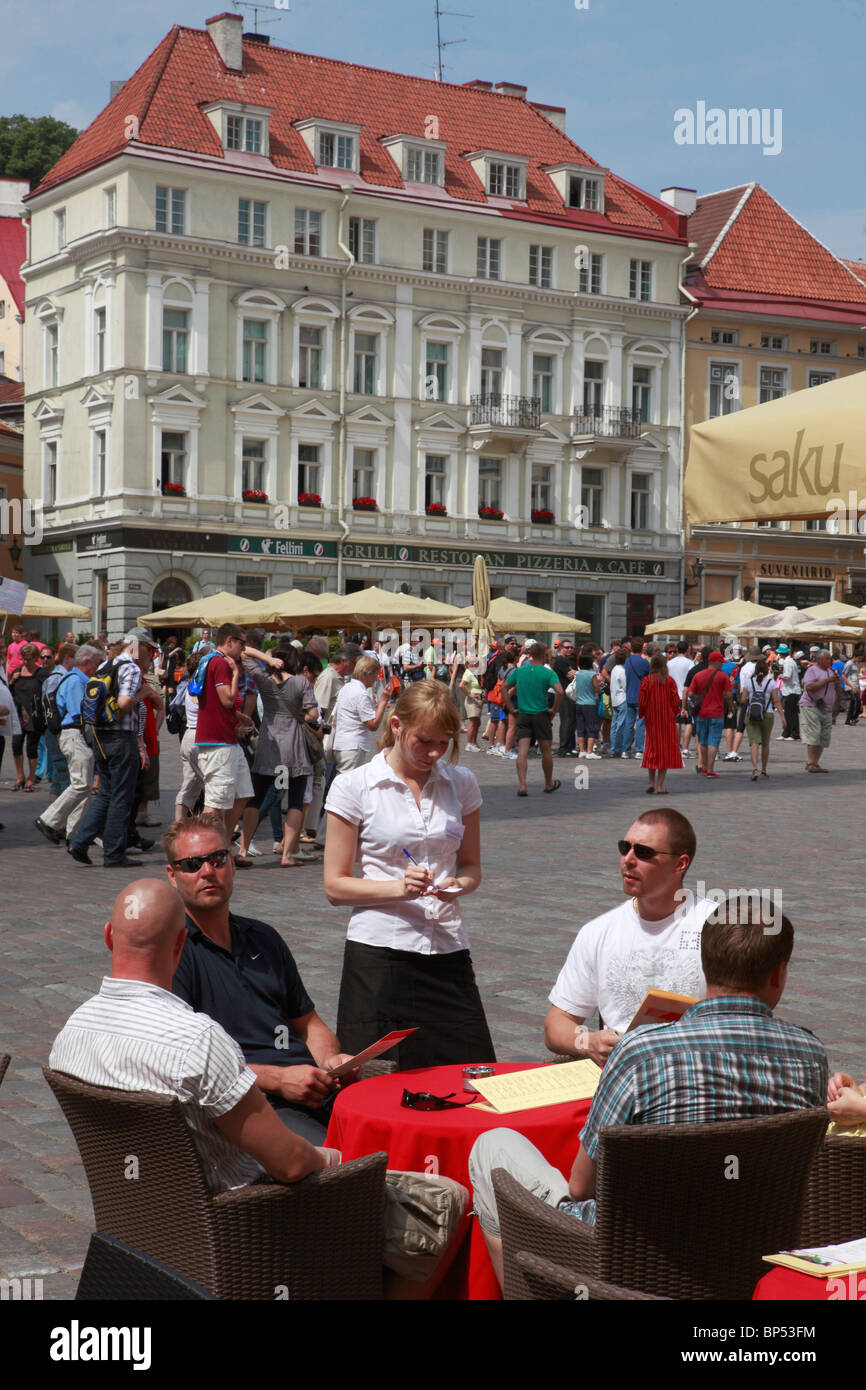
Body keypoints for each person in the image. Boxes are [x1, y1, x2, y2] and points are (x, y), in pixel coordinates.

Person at [470, 900, 829, 1287]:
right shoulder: (809, 1055)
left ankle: (533, 1292)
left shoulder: (641, 1052)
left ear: (705, 966)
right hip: (753, 1253)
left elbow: (581, 1186)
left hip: (629, 1255)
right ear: (778, 975)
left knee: (493, 1146)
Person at [50, 877, 339, 1190]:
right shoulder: (198, 1042)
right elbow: (291, 1163)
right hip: (243, 1218)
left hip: (137, 1206)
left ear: (108, 937)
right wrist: (335, 1160)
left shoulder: (71, 1034)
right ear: (179, 944)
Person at [325, 679, 493, 1070]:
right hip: (380, 950)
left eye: (444, 743)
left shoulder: (461, 783)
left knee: (469, 1071)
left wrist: (459, 885)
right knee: (376, 1079)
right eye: (424, 741)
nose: (434, 753)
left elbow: (472, 867)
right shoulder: (355, 786)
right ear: (397, 726)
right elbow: (335, 886)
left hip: (446, 945)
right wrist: (400, 888)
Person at [161, 814, 349, 1141]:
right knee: (342, 1161)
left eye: (217, 859)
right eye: (192, 864)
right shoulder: (173, 954)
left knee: (400, 1132)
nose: (208, 871)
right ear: (173, 876)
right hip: (250, 1105)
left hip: (313, 1088)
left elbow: (307, 1023)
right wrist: (278, 1080)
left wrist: (331, 1060)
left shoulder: (264, 937)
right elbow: (183, 1064)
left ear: (231, 864)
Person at [545, 808, 713, 1064]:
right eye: (625, 848)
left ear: (680, 864)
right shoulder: (598, 931)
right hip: (623, 1076)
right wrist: (590, 1042)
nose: (628, 859)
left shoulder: (717, 927)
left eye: (644, 853)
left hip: (697, 1071)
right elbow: (557, 1024)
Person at [69, 629, 156, 867]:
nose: (151, 655)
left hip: (101, 738)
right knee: (121, 798)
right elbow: (125, 702)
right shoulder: (131, 668)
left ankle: (79, 842)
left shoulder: (106, 665)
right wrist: (144, 693)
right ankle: (114, 853)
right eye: (150, 649)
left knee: (106, 793)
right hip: (120, 739)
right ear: (140, 647)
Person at [33, 645, 103, 845]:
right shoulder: (75, 681)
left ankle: (74, 832)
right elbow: (79, 714)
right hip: (74, 735)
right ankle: (48, 820)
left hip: (75, 735)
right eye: (97, 663)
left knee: (84, 785)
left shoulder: (79, 680)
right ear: (86, 661)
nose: (98, 668)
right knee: (81, 784)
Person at [193, 623, 255, 834]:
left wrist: (240, 717)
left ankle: (223, 843)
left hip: (227, 740)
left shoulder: (212, 659)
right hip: (218, 743)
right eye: (241, 643)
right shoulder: (220, 663)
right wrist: (236, 673)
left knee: (243, 792)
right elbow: (227, 699)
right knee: (215, 804)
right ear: (229, 640)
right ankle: (202, 849)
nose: (243, 649)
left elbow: (218, 705)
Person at [503, 640, 563, 796]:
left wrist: (511, 708)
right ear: (543, 655)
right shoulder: (548, 673)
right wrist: (554, 710)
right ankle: (548, 784)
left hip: (523, 714)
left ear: (529, 655)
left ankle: (523, 786)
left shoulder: (519, 671)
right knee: (546, 750)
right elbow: (560, 692)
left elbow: (504, 688)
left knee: (522, 751)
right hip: (541, 715)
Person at [332, 653, 389, 775]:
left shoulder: (346, 688)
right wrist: (383, 702)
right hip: (353, 745)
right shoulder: (361, 693)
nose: (376, 678)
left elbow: (336, 719)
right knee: (348, 784)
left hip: (341, 743)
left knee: (344, 781)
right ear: (368, 673)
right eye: (375, 674)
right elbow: (373, 725)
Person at [638, 651, 682, 794]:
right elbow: (675, 700)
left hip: (651, 718)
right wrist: (677, 711)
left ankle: (651, 782)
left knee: (652, 749)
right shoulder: (669, 681)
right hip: (666, 719)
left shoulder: (646, 680)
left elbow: (642, 701)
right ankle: (660, 786)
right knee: (665, 751)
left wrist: (642, 714)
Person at [685, 649, 731, 779]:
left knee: (703, 741)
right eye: (721, 662)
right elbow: (728, 695)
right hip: (716, 713)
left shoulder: (698, 675)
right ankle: (710, 769)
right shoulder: (723, 676)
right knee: (714, 741)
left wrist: (700, 696)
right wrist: (729, 704)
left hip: (701, 713)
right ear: (715, 662)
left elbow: (690, 693)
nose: (722, 665)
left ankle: (704, 768)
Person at [741, 656, 786, 781]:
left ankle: (755, 768)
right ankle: (764, 770)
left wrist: (750, 700)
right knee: (765, 743)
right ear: (767, 670)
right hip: (767, 714)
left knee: (754, 742)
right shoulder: (771, 682)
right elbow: (777, 701)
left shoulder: (749, 682)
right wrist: (783, 717)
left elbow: (742, 700)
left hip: (751, 714)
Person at [8, 643, 45, 790]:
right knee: (16, 745)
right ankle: (20, 776)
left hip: (34, 715)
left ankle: (31, 777)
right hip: (18, 714)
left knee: (32, 747)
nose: (25, 662)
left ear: (36, 658)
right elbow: (9, 692)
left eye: (29, 659)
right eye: (23, 659)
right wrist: (12, 681)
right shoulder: (17, 672)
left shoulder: (41, 674)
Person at [800, 648, 839, 773]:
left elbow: (838, 691)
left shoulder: (830, 672)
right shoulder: (812, 670)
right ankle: (810, 762)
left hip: (826, 708)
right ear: (820, 659)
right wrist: (827, 680)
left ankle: (815, 762)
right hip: (812, 706)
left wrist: (837, 682)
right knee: (813, 734)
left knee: (824, 736)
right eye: (827, 658)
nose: (829, 661)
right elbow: (809, 687)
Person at [569, 649, 601, 760]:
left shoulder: (578, 674)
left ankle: (581, 750)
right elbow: (596, 689)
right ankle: (589, 751)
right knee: (592, 727)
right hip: (590, 703)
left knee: (580, 728)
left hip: (579, 703)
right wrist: (599, 685)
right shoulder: (592, 674)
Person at [622, 638, 650, 759]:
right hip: (641, 696)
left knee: (628, 723)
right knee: (640, 724)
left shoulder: (627, 661)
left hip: (629, 695)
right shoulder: (645, 662)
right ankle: (639, 750)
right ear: (641, 648)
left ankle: (626, 750)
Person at [553, 640, 577, 757]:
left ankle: (568, 747)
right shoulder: (560, 661)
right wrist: (577, 672)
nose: (570, 649)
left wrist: (576, 672)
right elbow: (570, 675)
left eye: (571, 647)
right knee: (566, 721)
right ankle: (563, 748)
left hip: (571, 694)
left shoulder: (570, 661)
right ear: (561, 648)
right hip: (564, 694)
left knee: (571, 721)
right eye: (567, 647)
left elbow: (574, 674)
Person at [607, 647, 629, 758]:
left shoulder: (615, 668)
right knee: (621, 725)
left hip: (615, 699)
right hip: (622, 699)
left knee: (614, 725)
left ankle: (613, 748)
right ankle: (617, 748)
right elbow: (626, 686)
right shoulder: (622, 670)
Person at [778, 643, 802, 740]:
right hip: (791, 690)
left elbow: (787, 677)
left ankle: (794, 733)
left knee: (791, 713)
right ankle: (786, 732)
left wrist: (780, 676)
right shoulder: (790, 661)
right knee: (788, 713)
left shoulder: (788, 663)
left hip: (791, 691)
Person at [842, 650, 862, 725]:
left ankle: (853, 718)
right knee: (854, 700)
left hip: (856, 685)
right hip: (850, 685)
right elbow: (843, 675)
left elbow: (856, 676)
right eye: (859, 658)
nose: (859, 660)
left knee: (857, 702)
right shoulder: (849, 664)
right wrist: (851, 685)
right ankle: (849, 719)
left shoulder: (857, 664)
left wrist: (858, 686)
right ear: (855, 656)